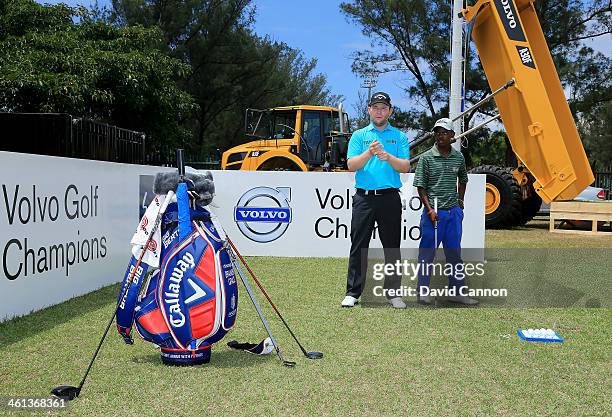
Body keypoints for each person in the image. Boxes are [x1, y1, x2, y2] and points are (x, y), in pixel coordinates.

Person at [341, 92, 410, 309]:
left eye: (383, 107)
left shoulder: (399, 137)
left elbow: (405, 167)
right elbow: (351, 165)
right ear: (369, 110)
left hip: (389, 198)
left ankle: (393, 293)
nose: (379, 111)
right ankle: (353, 293)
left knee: (392, 247)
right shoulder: (359, 136)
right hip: (364, 198)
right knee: (358, 245)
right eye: (375, 107)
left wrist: (388, 157)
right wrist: (369, 153)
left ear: (389, 111)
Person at [412, 117, 478, 305]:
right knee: (427, 254)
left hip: (453, 213)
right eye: (437, 133)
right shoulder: (426, 157)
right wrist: (430, 209)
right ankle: (423, 292)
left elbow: (463, 179)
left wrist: (460, 202)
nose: (440, 136)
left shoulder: (459, 157)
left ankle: (457, 292)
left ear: (452, 135)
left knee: (454, 254)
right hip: (434, 214)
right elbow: (420, 187)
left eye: (444, 133)